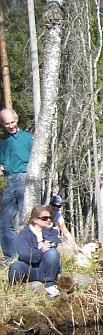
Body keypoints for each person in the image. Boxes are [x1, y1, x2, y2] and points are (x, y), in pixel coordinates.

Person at [0, 108, 34, 263]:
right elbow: (2, 166)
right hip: (10, 181)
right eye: (7, 124)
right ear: (2, 124)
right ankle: (11, 259)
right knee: (5, 221)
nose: (10, 126)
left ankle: (29, 256)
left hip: (24, 179)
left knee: (25, 220)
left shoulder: (28, 138)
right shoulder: (4, 143)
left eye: (12, 122)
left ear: (17, 120)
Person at [8, 205, 62, 297]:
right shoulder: (24, 233)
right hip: (28, 269)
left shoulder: (52, 232)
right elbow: (24, 256)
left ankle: (50, 285)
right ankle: (16, 289)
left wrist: (45, 231)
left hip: (44, 269)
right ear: (35, 220)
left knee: (52, 253)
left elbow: (53, 244)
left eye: (50, 218)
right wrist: (41, 251)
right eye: (44, 218)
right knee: (16, 266)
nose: (48, 220)